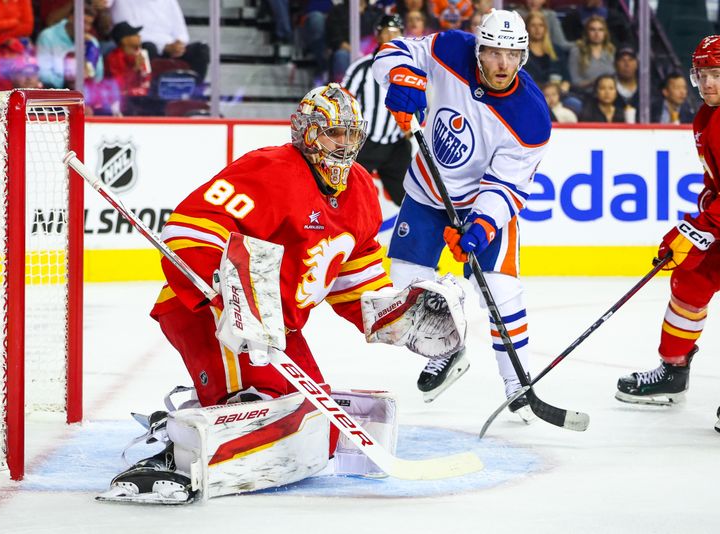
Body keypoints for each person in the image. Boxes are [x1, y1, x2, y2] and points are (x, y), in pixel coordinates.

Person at [97, 83, 468, 503]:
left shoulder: (362, 190)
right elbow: (190, 229)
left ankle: (191, 415)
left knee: (318, 429)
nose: (344, 144)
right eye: (333, 132)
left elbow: (356, 284)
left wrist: (402, 314)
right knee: (256, 409)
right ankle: (167, 452)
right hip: (211, 316)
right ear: (308, 134)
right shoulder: (271, 171)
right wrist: (229, 292)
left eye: (350, 133)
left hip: (277, 329)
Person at [372, 8, 551, 417]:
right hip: (425, 192)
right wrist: (400, 75)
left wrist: (482, 225)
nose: (502, 64)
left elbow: (507, 185)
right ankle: (447, 350)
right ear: (478, 48)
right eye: (493, 53)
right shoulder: (452, 48)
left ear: (523, 55)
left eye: (512, 54)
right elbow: (392, 51)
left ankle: (515, 383)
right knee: (406, 288)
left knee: (501, 292)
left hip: (479, 202)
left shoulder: (531, 117)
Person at [616, 37, 720, 434]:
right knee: (690, 279)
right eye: (703, 75)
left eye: (717, 75)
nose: (709, 83)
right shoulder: (706, 116)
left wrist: (698, 230)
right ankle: (674, 372)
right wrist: (697, 225)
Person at [342, 14, 412, 206]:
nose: (391, 37)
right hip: (365, 144)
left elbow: (423, 99)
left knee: (411, 198)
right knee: (347, 195)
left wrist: (414, 125)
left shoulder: (412, 68)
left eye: (396, 33)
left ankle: (415, 234)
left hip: (396, 144)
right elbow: (342, 101)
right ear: (378, 36)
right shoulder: (362, 67)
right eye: (386, 33)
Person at [109, 0, 208, 83]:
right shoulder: (123, 2)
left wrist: (179, 45)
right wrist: (163, 46)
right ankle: (150, 94)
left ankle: (195, 92)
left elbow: (182, 33)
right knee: (148, 48)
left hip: (171, 48)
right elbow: (127, 34)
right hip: (147, 46)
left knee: (201, 49)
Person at [36, 5, 103, 89]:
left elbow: (98, 76)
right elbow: (43, 73)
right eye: (83, 22)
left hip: (85, 94)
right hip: (56, 92)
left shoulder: (92, 42)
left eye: (89, 24)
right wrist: (67, 83)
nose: (86, 27)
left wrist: (91, 51)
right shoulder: (47, 36)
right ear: (71, 18)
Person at [103, 21, 152, 115]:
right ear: (124, 40)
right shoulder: (114, 57)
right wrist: (135, 68)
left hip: (141, 96)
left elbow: (147, 80)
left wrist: (143, 70)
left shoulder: (140, 54)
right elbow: (119, 85)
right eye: (135, 34)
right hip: (122, 99)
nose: (139, 36)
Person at [567, 15, 615, 98]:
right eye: (593, 29)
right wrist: (595, 82)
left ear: (605, 33)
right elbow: (574, 82)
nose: (597, 33)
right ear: (587, 32)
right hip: (584, 96)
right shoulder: (577, 51)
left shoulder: (611, 51)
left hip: (609, 96)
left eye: (600, 30)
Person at [613, 46, 638, 118]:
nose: (627, 64)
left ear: (637, 64)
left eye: (631, 60)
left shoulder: (647, 88)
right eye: (622, 60)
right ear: (615, 64)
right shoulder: (606, 87)